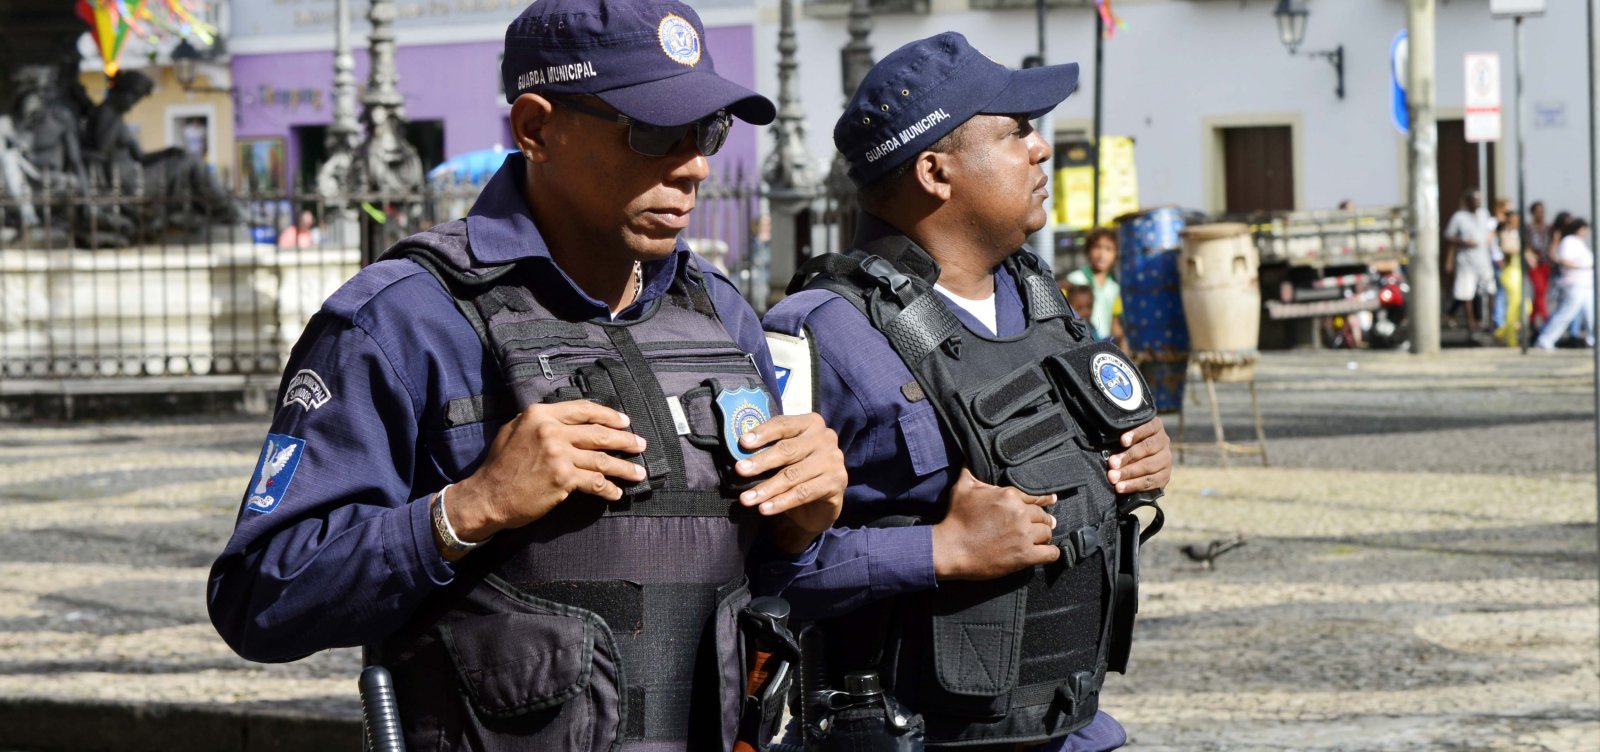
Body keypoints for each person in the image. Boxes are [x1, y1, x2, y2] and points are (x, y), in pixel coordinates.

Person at [207, 2, 847, 749]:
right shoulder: (403, 321)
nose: (694, 164)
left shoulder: (721, 313)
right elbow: (259, 597)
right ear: (537, 128)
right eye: (652, 132)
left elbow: (767, 589)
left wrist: (804, 529)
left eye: (707, 131)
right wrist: (465, 510)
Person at [764, 33, 1172, 751]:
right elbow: (751, 575)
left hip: (1072, 729)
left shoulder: (1042, 299)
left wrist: (1138, 460)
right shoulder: (813, 335)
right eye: (1017, 132)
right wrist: (939, 551)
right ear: (935, 170)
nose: (1041, 149)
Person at [1536, 218, 1595, 351]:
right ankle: (1545, 339)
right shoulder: (1568, 242)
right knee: (1566, 313)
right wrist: (1582, 266)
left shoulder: (1579, 242)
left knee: (1592, 314)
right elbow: (1563, 260)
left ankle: (1593, 339)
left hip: (1586, 284)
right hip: (1574, 284)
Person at [1444, 189, 1496, 340]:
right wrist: (1464, 242)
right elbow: (1449, 236)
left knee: (1490, 290)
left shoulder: (1484, 214)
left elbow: (1490, 232)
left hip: (1483, 259)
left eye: (1479, 199)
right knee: (1466, 292)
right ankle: (1471, 323)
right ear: (1468, 201)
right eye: (1475, 199)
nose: (1478, 202)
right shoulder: (1459, 217)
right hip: (1466, 261)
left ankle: (1490, 322)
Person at [1065, 228, 1124, 347]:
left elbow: (1115, 321)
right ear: (1088, 250)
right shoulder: (1074, 280)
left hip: (1103, 343)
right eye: (1097, 247)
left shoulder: (1115, 288)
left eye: (1108, 249)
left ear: (1116, 254)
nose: (1102, 255)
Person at [1526, 201, 1552, 329]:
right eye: (1538, 211)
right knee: (1539, 290)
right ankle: (1547, 319)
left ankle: (1532, 319)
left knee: (1540, 293)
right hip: (1534, 265)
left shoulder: (1548, 228)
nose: (1541, 214)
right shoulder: (1528, 228)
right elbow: (1525, 245)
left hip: (1545, 264)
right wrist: (1529, 255)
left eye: (1542, 211)